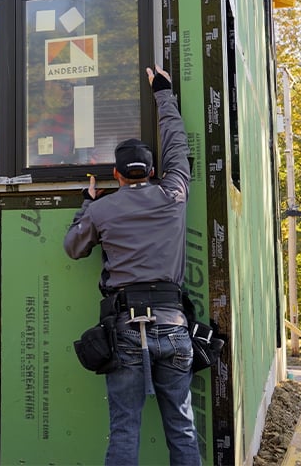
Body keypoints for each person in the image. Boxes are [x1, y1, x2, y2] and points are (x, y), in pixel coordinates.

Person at [63, 65, 200, 466]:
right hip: (174, 327)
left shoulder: (103, 209)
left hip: (125, 329)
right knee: (182, 425)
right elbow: (177, 147)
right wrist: (163, 94)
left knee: (125, 428)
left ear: (116, 175)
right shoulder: (173, 193)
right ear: (153, 172)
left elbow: (73, 249)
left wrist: (89, 204)